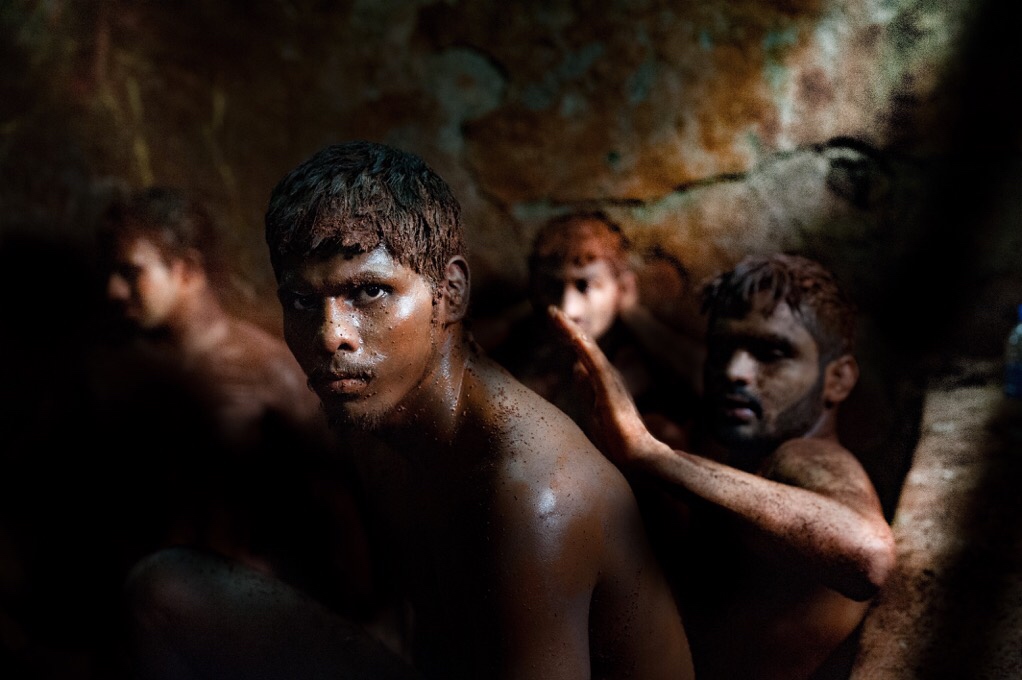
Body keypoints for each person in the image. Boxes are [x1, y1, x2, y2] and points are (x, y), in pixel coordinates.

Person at [122, 141, 693, 680]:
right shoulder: (371, 418)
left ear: (451, 292)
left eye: (368, 292)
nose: (331, 335)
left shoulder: (534, 489)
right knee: (167, 589)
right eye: (301, 300)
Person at [550, 252, 897, 680]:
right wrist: (635, 316)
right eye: (722, 349)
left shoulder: (807, 457)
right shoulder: (758, 426)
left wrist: (651, 453)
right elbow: (698, 366)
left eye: (772, 352)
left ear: (838, 379)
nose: (735, 371)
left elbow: (869, 554)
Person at [95, 186, 373, 614]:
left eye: (130, 272)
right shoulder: (120, 372)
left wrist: (358, 618)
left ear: (187, 270)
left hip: (248, 611)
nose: (113, 290)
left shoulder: (267, 370)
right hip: (148, 610)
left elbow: (334, 501)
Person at [490, 211, 702, 449]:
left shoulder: (640, 362)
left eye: (585, 285)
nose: (568, 309)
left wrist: (634, 315)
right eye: (552, 286)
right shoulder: (530, 348)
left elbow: (707, 379)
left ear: (623, 287)